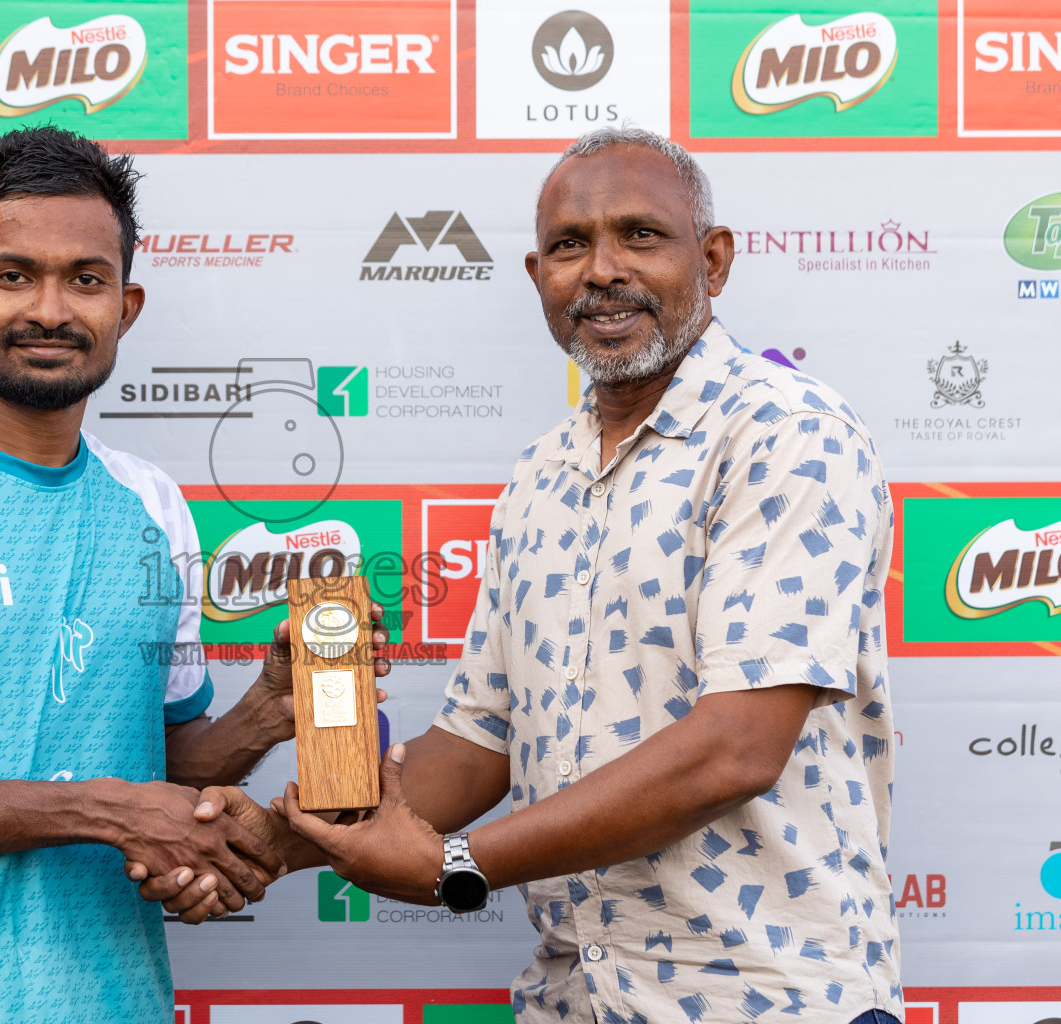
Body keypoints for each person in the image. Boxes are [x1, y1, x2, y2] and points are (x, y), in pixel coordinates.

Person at [142, 128, 903, 1024]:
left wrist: (456, 868)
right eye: (571, 246)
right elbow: (478, 746)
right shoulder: (541, 476)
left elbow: (736, 747)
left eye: (641, 236)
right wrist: (273, 838)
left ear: (715, 259)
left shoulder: (787, 436)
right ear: (537, 275)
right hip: (575, 998)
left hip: (765, 1000)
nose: (603, 270)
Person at [0, 126, 388, 1024]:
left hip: (114, 997)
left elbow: (164, 764)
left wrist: (270, 707)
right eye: (14, 275)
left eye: (85, 280)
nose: (51, 310)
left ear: (126, 306)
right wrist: (109, 812)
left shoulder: (153, 504)